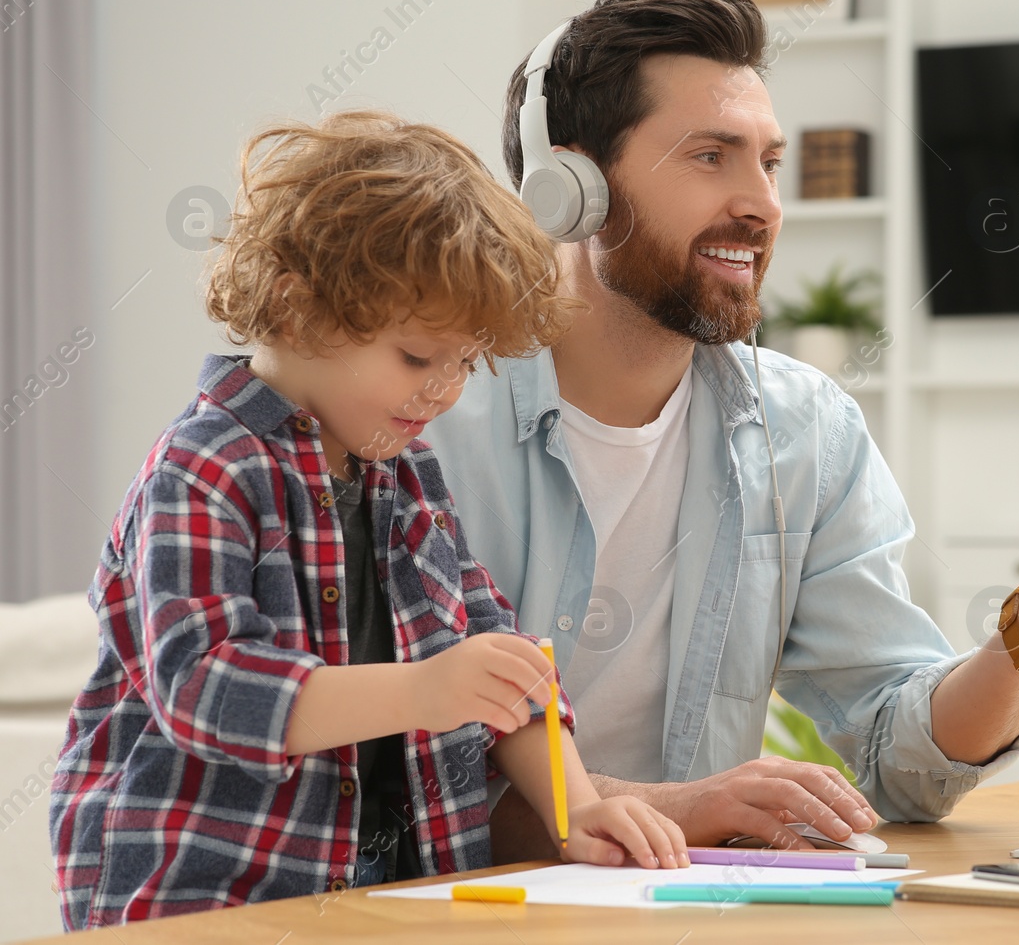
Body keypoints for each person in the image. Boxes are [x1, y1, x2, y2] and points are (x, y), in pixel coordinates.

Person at [425, 0, 1019, 856]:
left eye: (769, 162)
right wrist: (672, 807)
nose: (761, 203)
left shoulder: (805, 431)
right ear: (569, 186)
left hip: (684, 912)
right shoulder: (426, 416)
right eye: (710, 156)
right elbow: (391, 765)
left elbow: (897, 757)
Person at [48, 111, 686, 930]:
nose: (445, 389)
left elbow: (508, 661)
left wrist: (575, 805)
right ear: (295, 304)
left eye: (466, 362)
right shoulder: (205, 467)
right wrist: (423, 689)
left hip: (382, 889)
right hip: (200, 896)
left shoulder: (408, 474)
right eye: (419, 357)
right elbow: (203, 689)